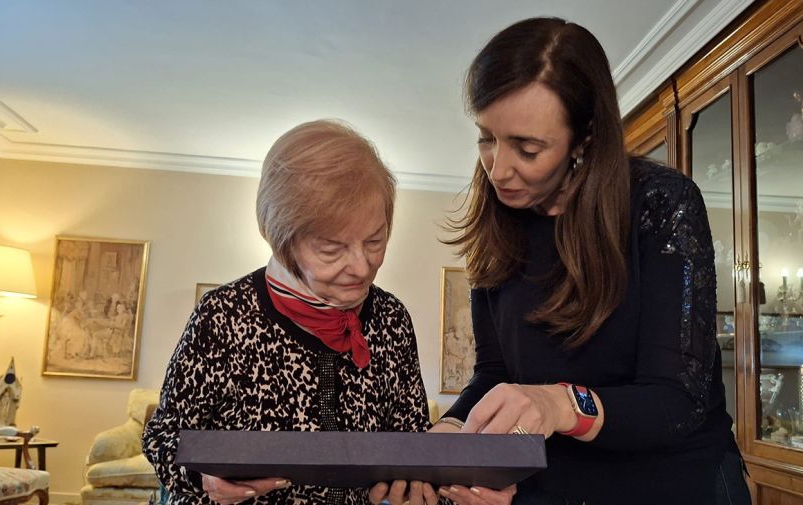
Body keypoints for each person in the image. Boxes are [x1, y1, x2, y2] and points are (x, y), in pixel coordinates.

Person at [426, 17, 749, 505]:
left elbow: (678, 402)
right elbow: (495, 372)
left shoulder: (661, 204)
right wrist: (452, 429)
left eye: (527, 148)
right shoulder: (498, 222)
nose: (497, 169)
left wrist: (557, 402)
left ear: (585, 139)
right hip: (556, 487)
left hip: (677, 484)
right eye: (486, 137)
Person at [143, 120, 434, 505]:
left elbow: (411, 441)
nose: (362, 266)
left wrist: (418, 484)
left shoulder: (392, 319)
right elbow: (163, 435)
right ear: (283, 239)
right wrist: (202, 476)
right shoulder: (224, 314)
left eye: (375, 241)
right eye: (332, 249)